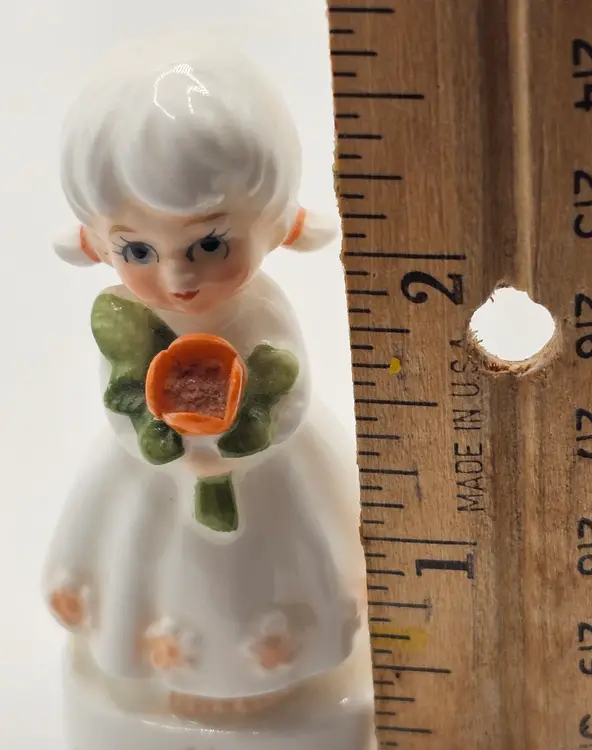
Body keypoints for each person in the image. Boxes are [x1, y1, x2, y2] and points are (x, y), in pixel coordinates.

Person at [44, 36, 366, 721]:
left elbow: (289, 385)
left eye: (211, 243)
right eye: (138, 249)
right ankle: (173, 668)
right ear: (97, 242)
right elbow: (120, 398)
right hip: (156, 481)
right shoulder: (128, 319)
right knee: (157, 569)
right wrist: (161, 443)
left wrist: (243, 439)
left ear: (274, 225)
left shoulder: (260, 310)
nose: (177, 276)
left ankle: (267, 677)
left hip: (266, 476)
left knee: (259, 577)